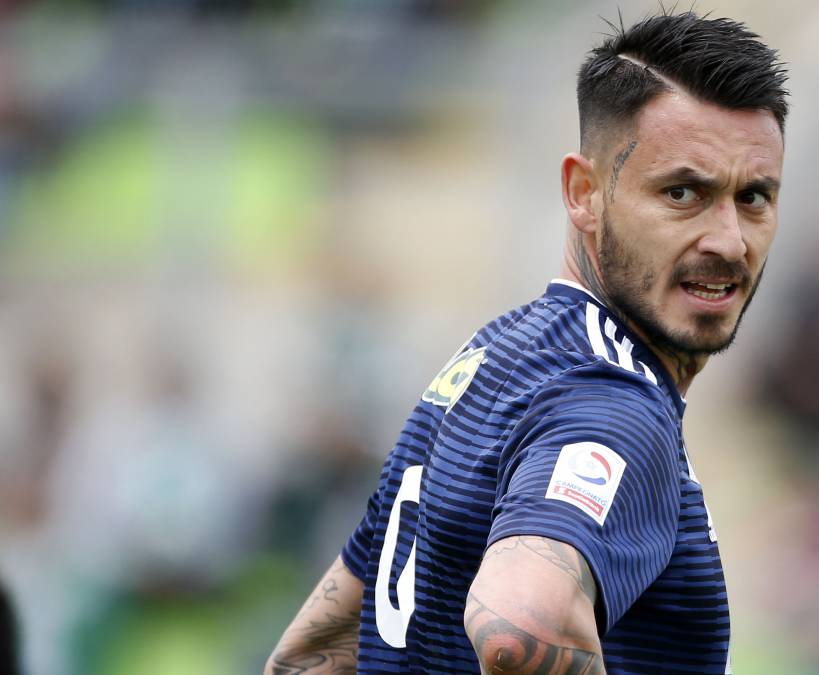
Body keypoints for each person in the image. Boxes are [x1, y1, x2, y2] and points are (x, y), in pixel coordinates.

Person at [266, 10, 787, 674]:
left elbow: (309, 656)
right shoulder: (613, 403)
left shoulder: (491, 361)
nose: (730, 241)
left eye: (754, 198)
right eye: (683, 192)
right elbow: (522, 624)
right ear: (584, 193)